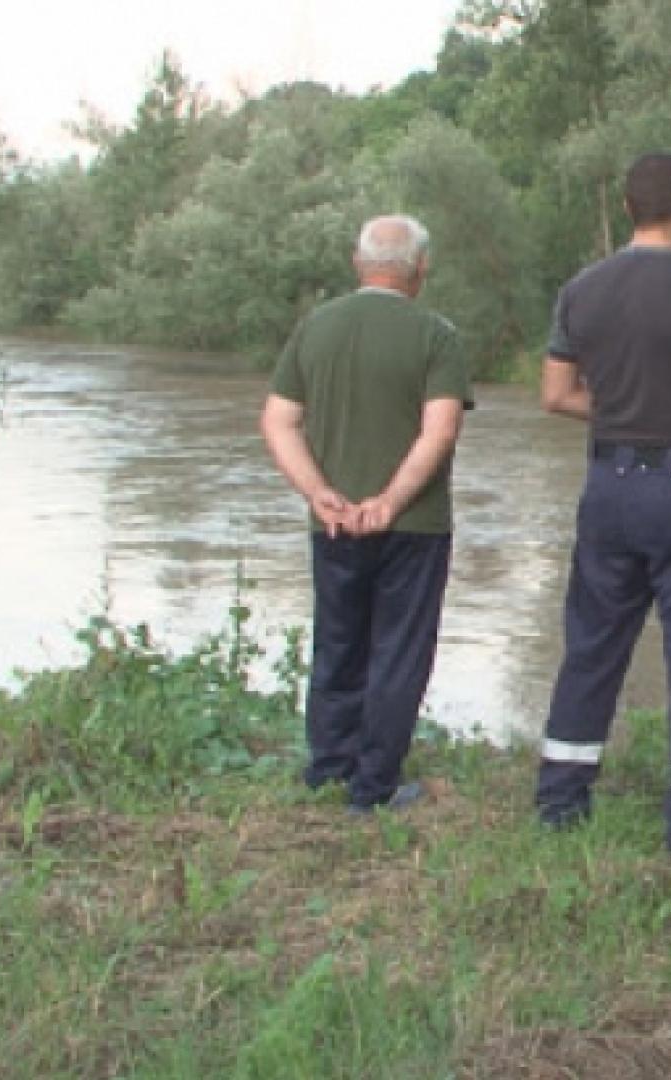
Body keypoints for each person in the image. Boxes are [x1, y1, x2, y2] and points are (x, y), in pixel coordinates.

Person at [533, 152, 671, 857]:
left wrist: (626, 416)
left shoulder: (579, 289)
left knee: (593, 648)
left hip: (608, 487)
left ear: (629, 209)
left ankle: (559, 803)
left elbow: (557, 395)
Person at [260, 214, 471, 814]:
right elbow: (440, 431)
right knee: (398, 651)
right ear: (421, 269)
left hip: (333, 521)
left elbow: (278, 421)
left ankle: (328, 768)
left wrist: (318, 493)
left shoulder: (315, 327)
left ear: (359, 263)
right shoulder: (436, 335)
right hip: (414, 525)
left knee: (337, 641)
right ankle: (374, 786)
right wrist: (391, 502)